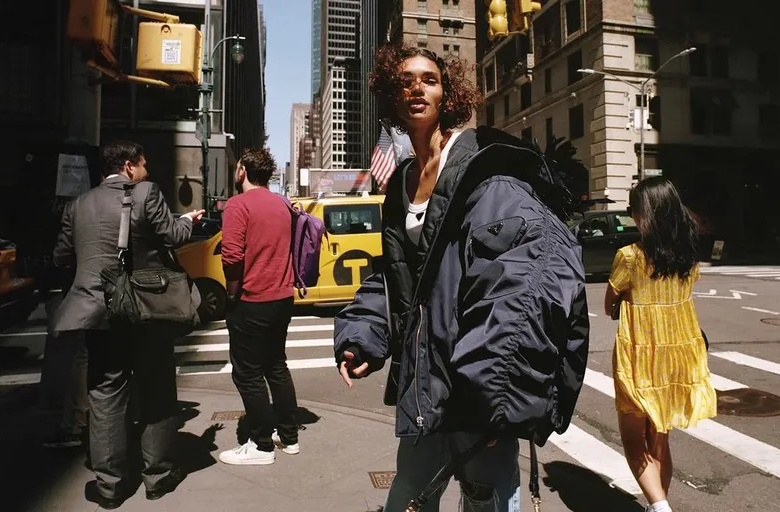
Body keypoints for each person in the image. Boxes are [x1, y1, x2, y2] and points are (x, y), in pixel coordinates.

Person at [334, 44, 590, 511]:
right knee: (408, 501)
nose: (416, 88)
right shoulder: (403, 182)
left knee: (489, 502)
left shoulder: (485, 175)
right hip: (424, 384)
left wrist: (499, 390)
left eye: (429, 79)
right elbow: (395, 276)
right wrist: (362, 335)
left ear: (447, 95)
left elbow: (527, 280)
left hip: (476, 387)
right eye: (405, 81)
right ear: (393, 96)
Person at [51, 141, 204, 509]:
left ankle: (109, 485)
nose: (147, 171)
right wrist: (187, 220)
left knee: (104, 395)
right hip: (144, 311)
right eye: (144, 164)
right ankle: (158, 476)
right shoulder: (146, 193)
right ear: (129, 166)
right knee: (156, 389)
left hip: (97, 312)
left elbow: (61, 256)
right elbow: (175, 236)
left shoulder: (79, 204)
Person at [604, 177, 717, 512]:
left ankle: (661, 507)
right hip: (679, 353)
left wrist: (625, 302)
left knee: (632, 439)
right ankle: (659, 503)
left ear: (646, 215)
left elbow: (610, 305)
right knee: (660, 440)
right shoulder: (688, 258)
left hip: (639, 354)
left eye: (633, 209)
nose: (632, 215)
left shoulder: (629, 257)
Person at [218, 148, 300, 466]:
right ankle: (289, 437)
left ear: (242, 171)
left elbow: (232, 256)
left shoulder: (238, 204)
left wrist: (232, 293)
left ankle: (262, 445)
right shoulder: (281, 203)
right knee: (276, 366)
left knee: (247, 374)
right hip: (282, 297)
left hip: (252, 300)